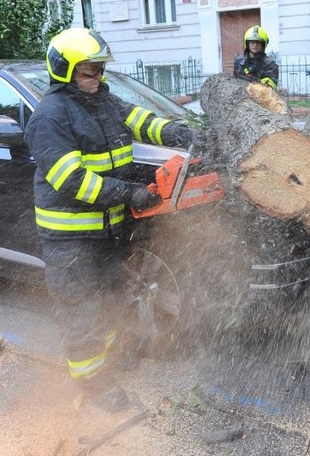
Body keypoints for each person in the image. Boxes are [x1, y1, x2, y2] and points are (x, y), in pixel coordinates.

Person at [25, 27, 197, 412]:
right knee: (82, 310)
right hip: (72, 239)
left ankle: (111, 358)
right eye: (89, 71)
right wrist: (129, 193)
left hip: (109, 229)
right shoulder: (50, 116)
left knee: (113, 298)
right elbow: (71, 180)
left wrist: (179, 132)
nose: (97, 77)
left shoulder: (102, 101)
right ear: (65, 70)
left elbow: (141, 120)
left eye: (99, 70)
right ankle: (91, 382)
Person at [233, 25, 279, 89]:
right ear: (247, 43)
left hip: (260, 97)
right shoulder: (239, 61)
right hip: (240, 97)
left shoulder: (270, 65)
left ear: (263, 44)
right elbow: (233, 82)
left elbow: (270, 88)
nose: (255, 45)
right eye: (252, 42)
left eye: (258, 42)